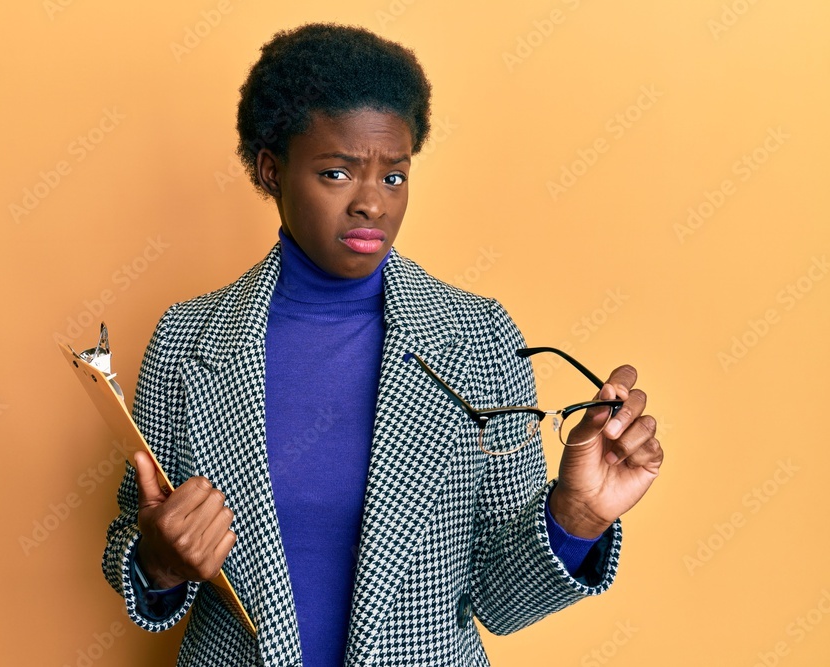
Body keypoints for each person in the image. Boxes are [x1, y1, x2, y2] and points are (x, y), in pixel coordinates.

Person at [102, 22, 663, 666]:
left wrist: (577, 517)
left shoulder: (477, 339)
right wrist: (158, 563)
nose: (371, 204)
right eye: (337, 172)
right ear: (271, 169)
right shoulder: (187, 340)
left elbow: (501, 601)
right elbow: (136, 534)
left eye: (393, 177)